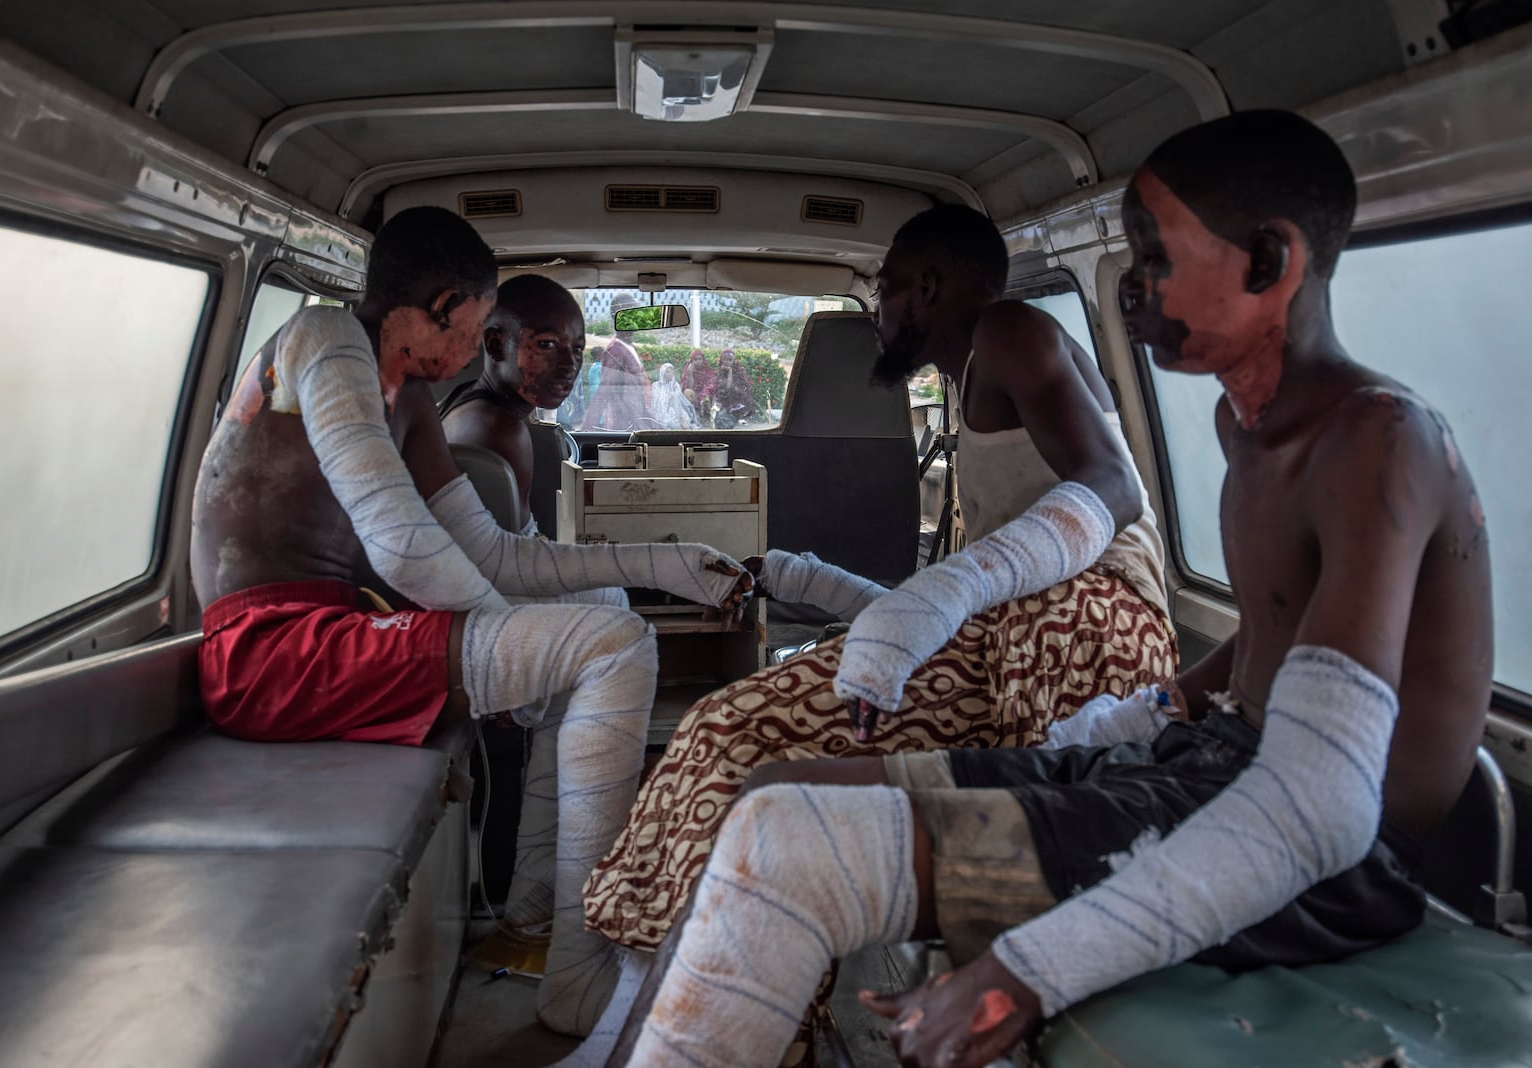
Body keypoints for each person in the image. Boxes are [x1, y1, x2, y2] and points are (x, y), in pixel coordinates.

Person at [604, 110, 1494, 1068]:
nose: (1138, 290)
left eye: (1152, 259)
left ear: (1269, 260)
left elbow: (1320, 807)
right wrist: (1126, 724)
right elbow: (1274, 647)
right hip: (1204, 767)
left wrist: (1030, 969)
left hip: (1328, 858)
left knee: (787, 847)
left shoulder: (1378, 439)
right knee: (772, 794)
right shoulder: (1255, 437)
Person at [576, 203, 1175, 1064]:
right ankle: (693, 1023)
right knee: (725, 731)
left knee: (1036, 836)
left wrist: (958, 586)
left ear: (927, 287)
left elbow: (1116, 487)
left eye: (886, 290)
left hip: (1088, 630)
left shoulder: (1010, 331)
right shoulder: (967, 375)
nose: (880, 312)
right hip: (1002, 633)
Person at [189, 207, 752, 1039]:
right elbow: (404, 546)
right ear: (449, 307)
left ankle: (532, 914)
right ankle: (578, 975)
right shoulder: (324, 341)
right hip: (268, 656)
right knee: (612, 647)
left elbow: (493, 555)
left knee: (602, 616)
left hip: (331, 639)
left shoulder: (410, 398)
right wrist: (510, 658)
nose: (479, 343)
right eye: (483, 324)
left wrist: (654, 564)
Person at [439, 274, 584, 533]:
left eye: (577, 349)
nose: (569, 365)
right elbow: (514, 563)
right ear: (496, 345)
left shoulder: (462, 400)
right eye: (547, 344)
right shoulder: (500, 430)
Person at [582, 305, 652, 431]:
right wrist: (586, 432)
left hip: (635, 417)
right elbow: (604, 390)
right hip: (625, 421)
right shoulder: (616, 351)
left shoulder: (629, 347)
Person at [647, 362, 698, 430]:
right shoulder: (656, 385)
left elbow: (678, 401)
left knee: (685, 417)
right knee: (668, 422)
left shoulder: (675, 385)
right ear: (663, 373)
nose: (671, 374)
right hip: (662, 411)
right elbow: (657, 402)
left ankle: (681, 420)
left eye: (671, 372)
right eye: (668, 372)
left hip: (676, 409)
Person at [712, 348, 754, 429]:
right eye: (725, 359)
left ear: (734, 361)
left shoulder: (740, 371)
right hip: (722, 397)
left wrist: (730, 372)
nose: (727, 362)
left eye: (730, 360)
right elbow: (720, 388)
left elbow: (734, 387)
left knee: (734, 392)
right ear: (721, 360)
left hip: (737, 398)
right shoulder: (718, 372)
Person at [680, 348, 716, 424]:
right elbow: (687, 388)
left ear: (703, 360)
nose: (698, 361)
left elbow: (712, 384)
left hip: (705, 396)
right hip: (695, 396)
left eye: (700, 359)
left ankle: (706, 417)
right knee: (687, 392)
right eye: (695, 359)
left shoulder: (707, 370)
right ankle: (692, 415)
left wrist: (703, 393)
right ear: (692, 361)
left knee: (706, 397)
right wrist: (690, 374)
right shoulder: (688, 370)